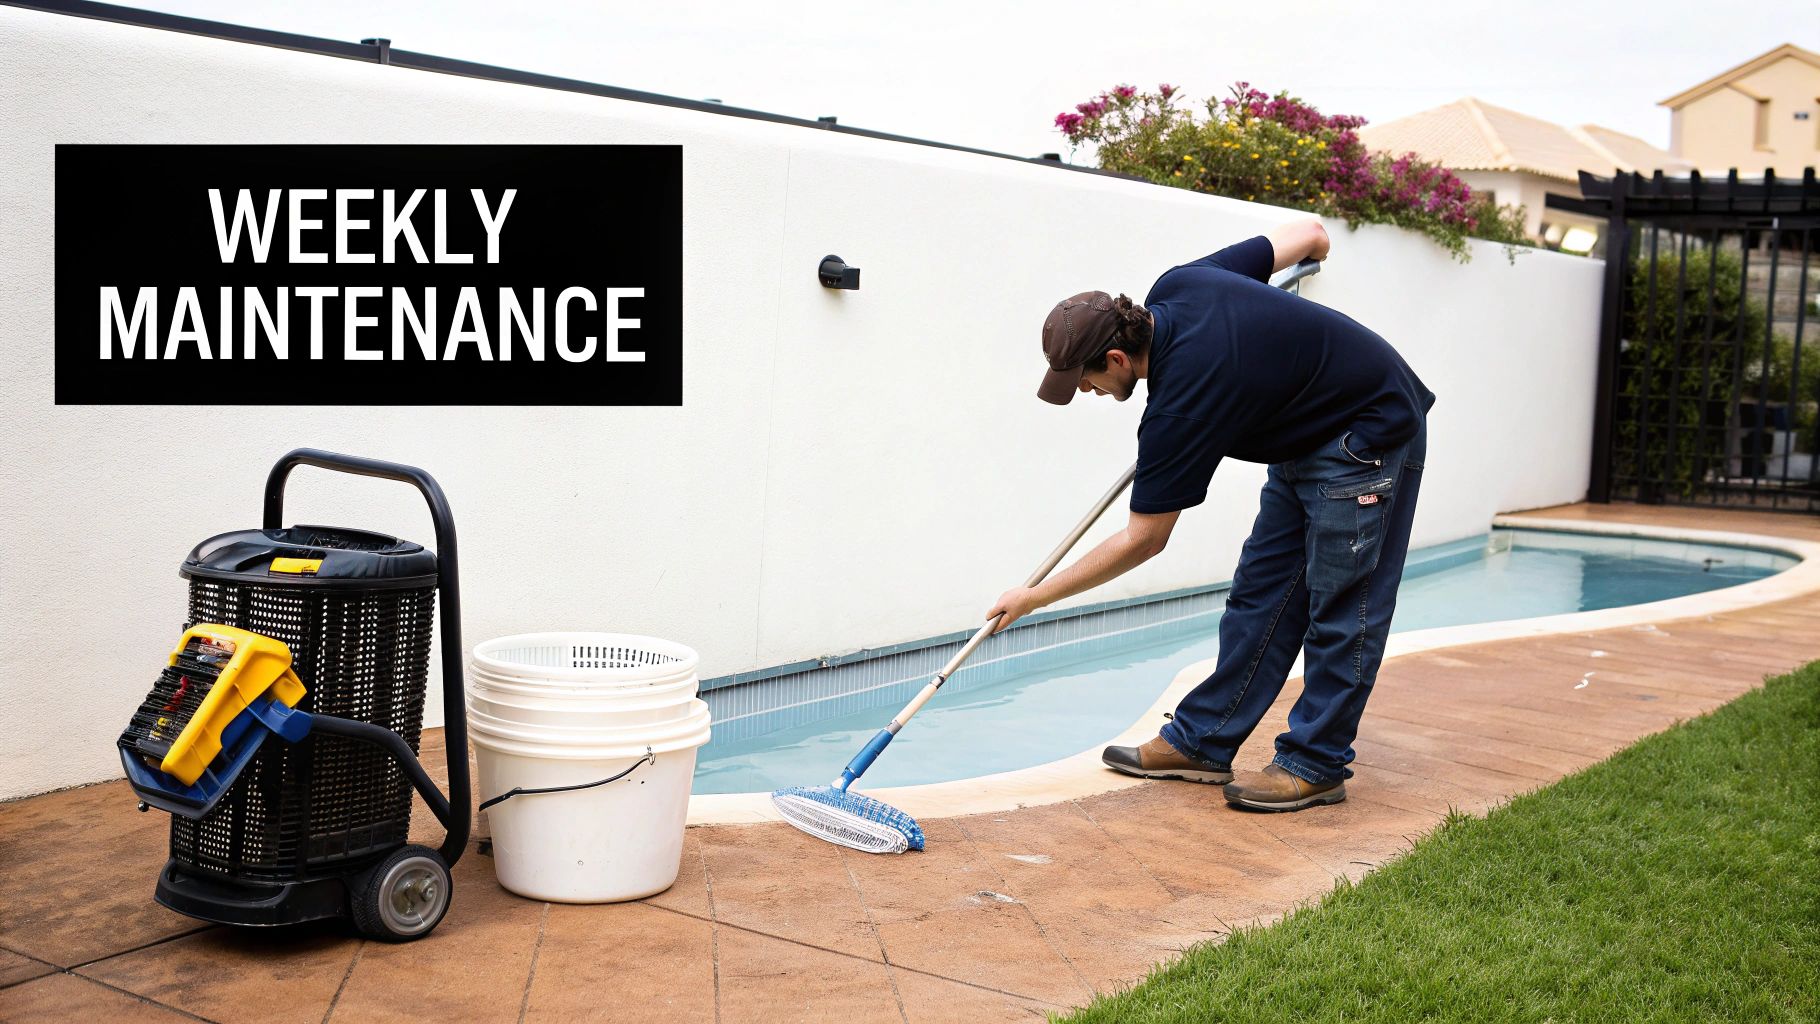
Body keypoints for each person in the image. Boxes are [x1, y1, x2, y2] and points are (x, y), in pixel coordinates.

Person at [987, 219, 1434, 812]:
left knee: (1342, 607)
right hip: (1303, 436)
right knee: (1260, 596)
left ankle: (1315, 762)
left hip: (1367, 434)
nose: (1089, 392)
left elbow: (1144, 540)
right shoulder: (1182, 285)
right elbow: (1305, 235)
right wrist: (1319, 248)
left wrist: (1034, 596)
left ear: (1118, 356)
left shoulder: (1179, 409)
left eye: (1088, 380)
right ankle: (1203, 741)